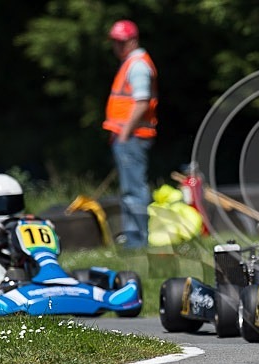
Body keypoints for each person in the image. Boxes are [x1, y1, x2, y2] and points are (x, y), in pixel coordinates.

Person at [103, 19, 158, 250]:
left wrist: (124, 132)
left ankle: (137, 241)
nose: (117, 46)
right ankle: (132, 238)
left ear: (133, 40)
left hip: (133, 136)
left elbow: (142, 102)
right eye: (115, 42)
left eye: (121, 42)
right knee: (129, 190)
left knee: (134, 191)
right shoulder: (131, 63)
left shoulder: (137, 65)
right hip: (128, 136)